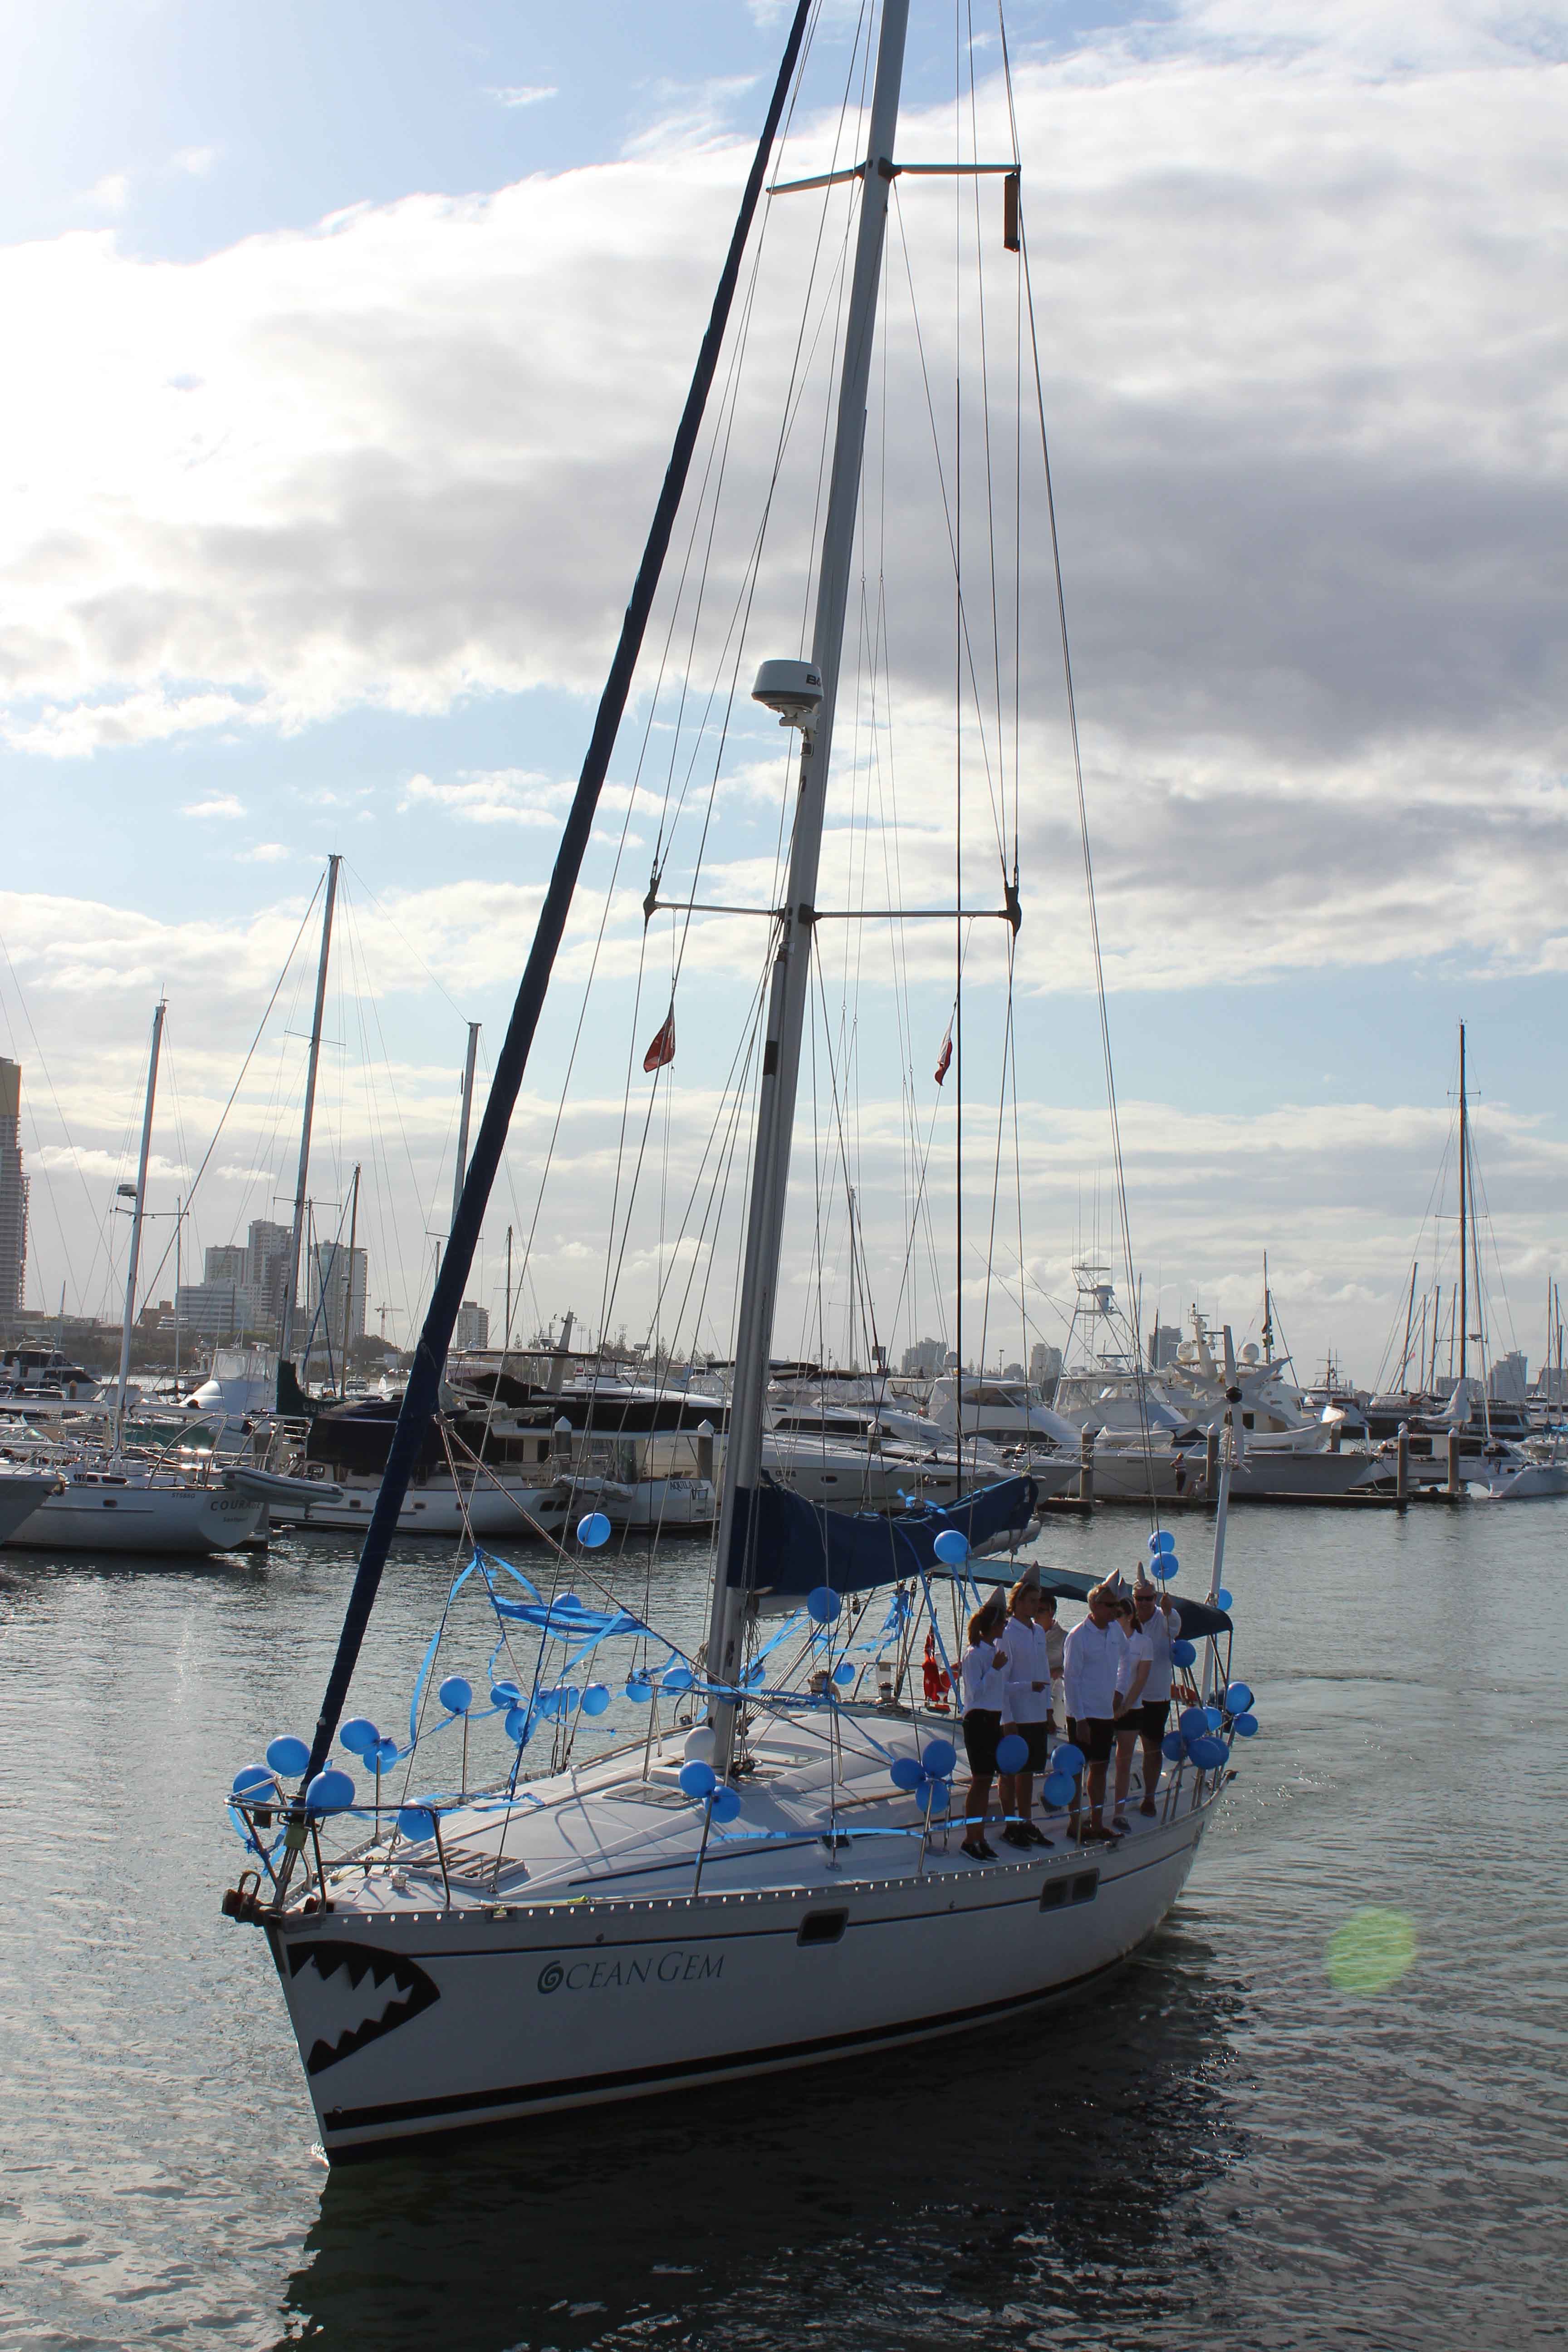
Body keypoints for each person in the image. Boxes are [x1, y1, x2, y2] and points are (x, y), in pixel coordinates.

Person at [1112, 1575, 1183, 1817]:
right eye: (1140, 1599)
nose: (1144, 1603)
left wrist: (1168, 1610)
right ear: (1133, 1600)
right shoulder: (1125, 1622)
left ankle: (1149, 1797)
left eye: (1148, 1599)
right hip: (1127, 1697)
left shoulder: (1165, 1620)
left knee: (1152, 1747)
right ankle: (1112, 1800)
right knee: (1121, 1750)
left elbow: (1175, 1627)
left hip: (1155, 1696)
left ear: (1155, 1599)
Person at [1061, 1583, 1123, 1843]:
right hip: (1083, 1714)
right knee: (1078, 1770)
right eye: (1110, 1606)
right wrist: (1080, 1719)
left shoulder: (1116, 1631)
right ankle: (1074, 1824)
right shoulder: (1078, 1636)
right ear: (1095, 1607)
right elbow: (1071, 1680)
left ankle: (1097, 1823)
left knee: (1100, 1768)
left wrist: (1120, 1690)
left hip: (1105, 1712)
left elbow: (1127, 1659)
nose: (1115, 1611)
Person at [998, 1578, 1054, 1849]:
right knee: (1009, 1771)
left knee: (1029, 1771)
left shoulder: (1039, 1632)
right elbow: (1001, 1679)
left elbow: (1044, 1670)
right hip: (1016, 1713)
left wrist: (1049, 1709)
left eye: (1038, 1601)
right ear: (1018, 1602)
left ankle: (1026, 1821)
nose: (1036, 1606)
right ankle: (1011, 1825)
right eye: (1032, 1601)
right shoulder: (1007, 1633)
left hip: (1036, 1713)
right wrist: (1007, 1719)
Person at [958, 1594, 1009, 1862]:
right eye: (1002, 1622)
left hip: (993, 1720)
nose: (1005, 1627)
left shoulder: (993, 1652)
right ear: (993, 1626)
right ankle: (971, 1838)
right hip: (978, 1719)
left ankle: (980, 1837)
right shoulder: (976, 1654)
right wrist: (995, 1670)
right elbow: (974, 1692)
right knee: (979, 1781)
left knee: (987, 1780)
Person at [1036, 1592, 1066, 1729]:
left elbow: (1075, 1668)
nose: (1036, 1614)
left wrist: (1061, 1670)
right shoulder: (1027, 1634)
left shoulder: (1064, 1637)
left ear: (1052, 1612)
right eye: (1035, 1609)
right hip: (1031, 1691)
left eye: (1041, 1610)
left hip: (1054, 1692)